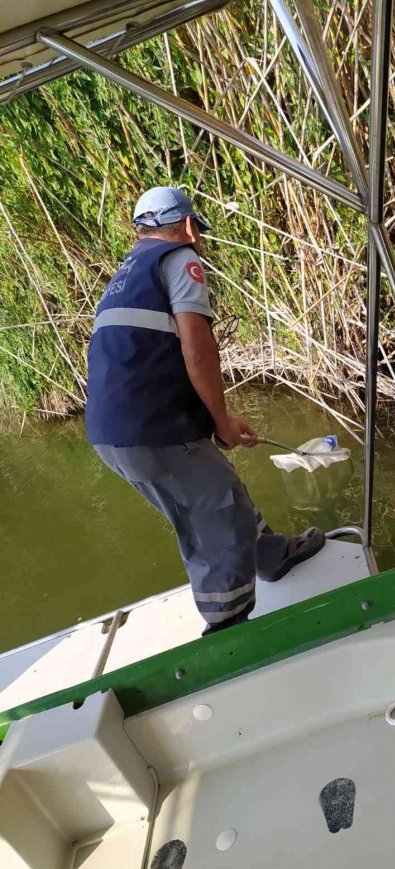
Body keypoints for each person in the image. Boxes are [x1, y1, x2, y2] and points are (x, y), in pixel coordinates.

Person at [86, 186, 325, 635]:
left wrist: (217, 425)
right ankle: (228, 629)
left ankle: (271, 557)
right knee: (214, 522)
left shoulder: (125, 274)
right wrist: (222, 424)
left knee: (220, 491)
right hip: (152, 431)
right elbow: (199, 351)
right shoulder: (180, 259)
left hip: (113, 433)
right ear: (189, 226)